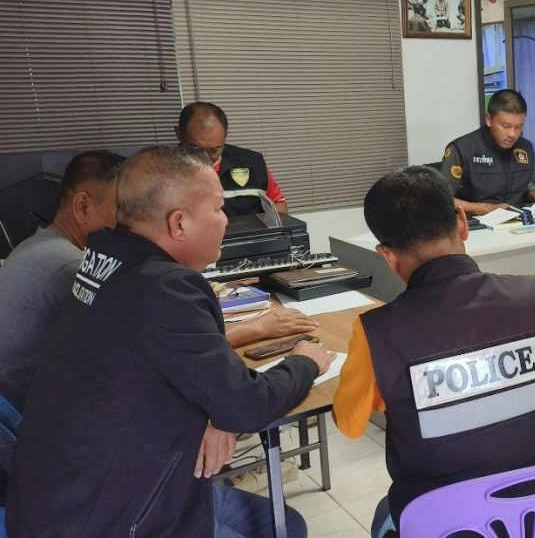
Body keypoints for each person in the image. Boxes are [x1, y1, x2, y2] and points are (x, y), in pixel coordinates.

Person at [8, 146, 336, 537]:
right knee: (285, 528)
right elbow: (248, 405)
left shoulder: (103, 259)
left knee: (287, 523)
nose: (226, 219)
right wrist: (305, 361)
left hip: (62, 494)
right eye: (219, 208)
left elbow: (154, 364)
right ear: (178, 223)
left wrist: (216, 409)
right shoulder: (166, 288)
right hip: (104, 515)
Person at [333, 165, 535, 535]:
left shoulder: (377, 333)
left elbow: (350, 424)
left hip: (449, 529)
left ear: (387, 255)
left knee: (384, 515)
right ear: (461, 222)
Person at [0, 151, 122, 413]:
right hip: (26, 418)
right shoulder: (70, 267)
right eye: (123, 209)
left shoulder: (36, 245)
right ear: (83, 207)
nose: (130, 223)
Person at [441, 89, 535, 216]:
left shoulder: (525, 148)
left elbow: (514, 191)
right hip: (474, 223)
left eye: (518, 127)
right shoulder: (462, 149)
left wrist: (533, 195)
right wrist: (484, 208)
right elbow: (441, 199)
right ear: (489, 119)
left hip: (517, 221)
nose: (512, 134)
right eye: (506, 126)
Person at [176, 101, 289, 216]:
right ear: (179, 134)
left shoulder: (252, 163)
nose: (206, 157)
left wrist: (277, 226)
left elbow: (277, 202)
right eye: (196, 149)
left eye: (214, 150)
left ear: (225, 136)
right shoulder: (167, 172)